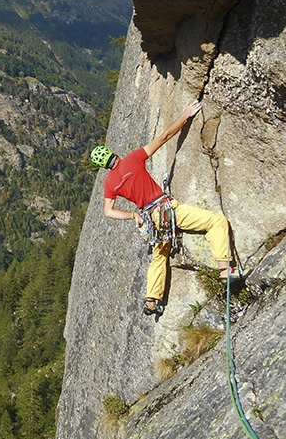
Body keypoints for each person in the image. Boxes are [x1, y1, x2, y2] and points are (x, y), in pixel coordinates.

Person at [90, 100, 239, 316]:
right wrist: (186, 114)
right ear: (113, 154)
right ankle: (225, 270)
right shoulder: (132, 159)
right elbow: (164, 137)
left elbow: (108, 211)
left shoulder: (109, 183)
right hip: (167, 209)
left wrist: (134, 215)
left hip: (152, 219)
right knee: (216, 222)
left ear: (103, 166)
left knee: (159, 257)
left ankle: (152, 300)